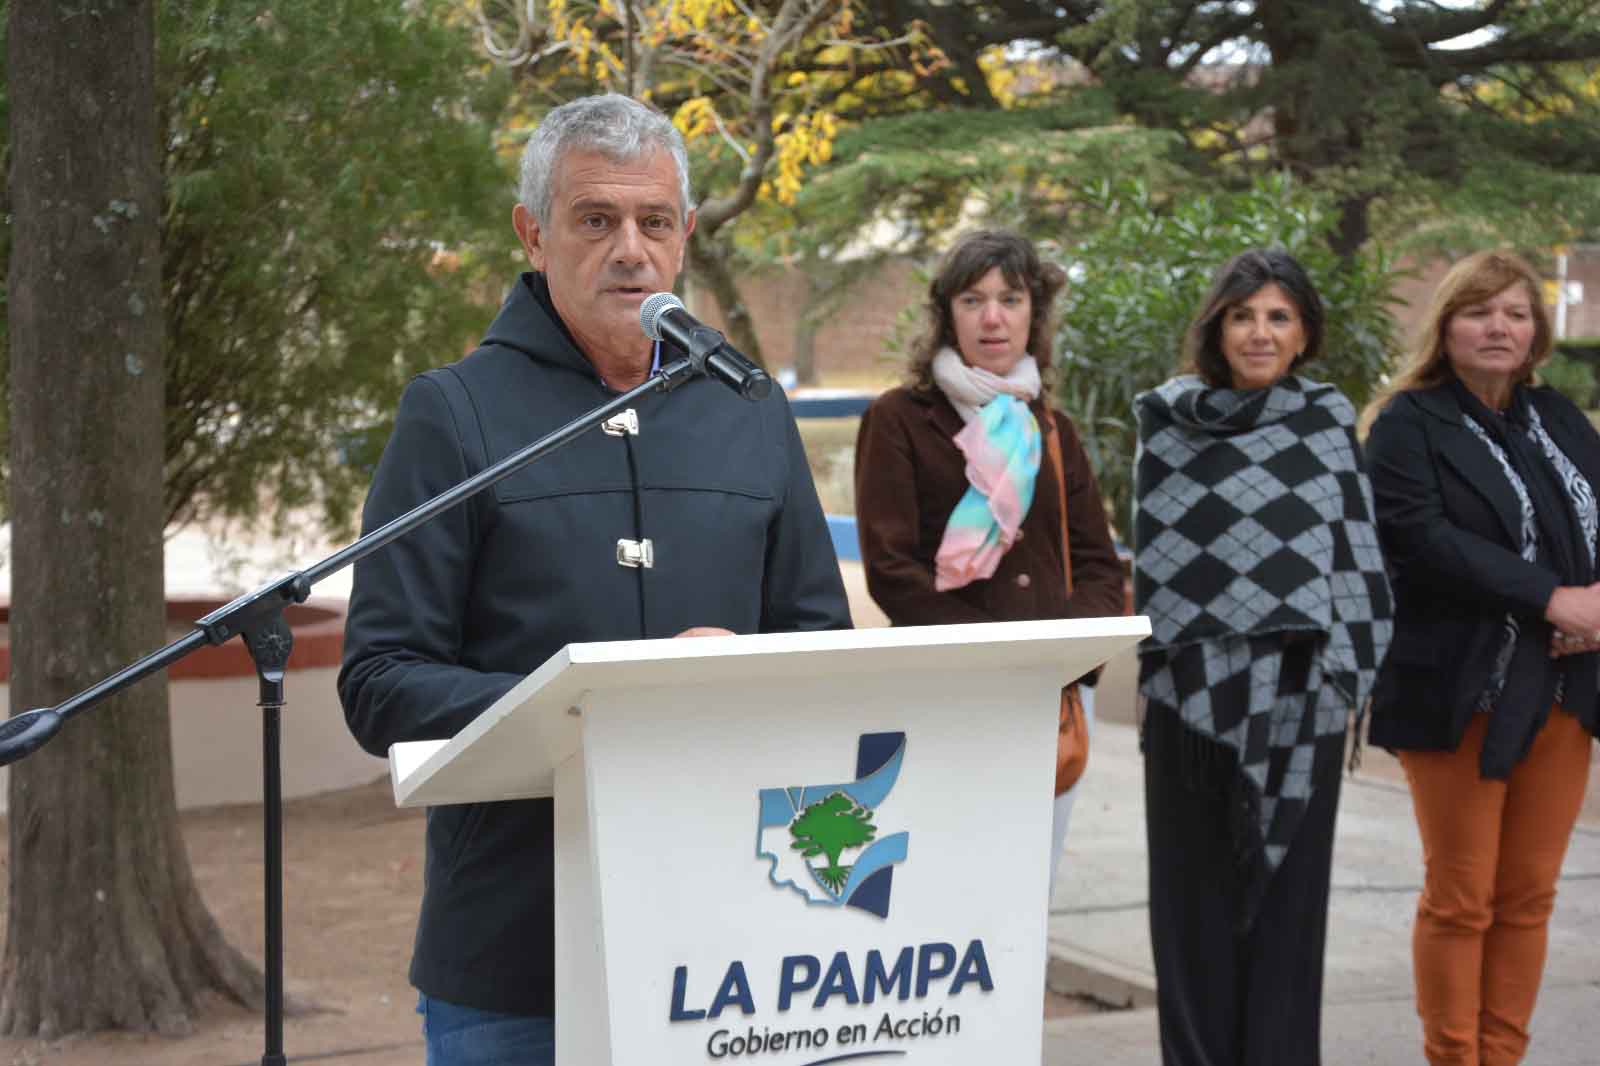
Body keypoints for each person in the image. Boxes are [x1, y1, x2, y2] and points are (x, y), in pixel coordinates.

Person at [337, 93, 851, 1066]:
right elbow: (380, 682)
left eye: (654, 222)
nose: (630, 249)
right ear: (533, 233)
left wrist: (737, 675)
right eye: (595, 219)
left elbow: (818, 649)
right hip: (515, 956)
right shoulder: (453, 414)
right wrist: (600, 705)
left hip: (733, 943)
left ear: (686, 234)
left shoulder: (749, 408)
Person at [1132, 248, 1393, 1065]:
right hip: (1190, 697)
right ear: (1217, 325)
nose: (1259, 332)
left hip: (1299, 696)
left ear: (1304, 332)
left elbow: (1353, 560)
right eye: (1243, 315)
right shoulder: (1169, 425)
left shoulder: (1324, 424)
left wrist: (1345, 667)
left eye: (1278, 316)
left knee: (1287, 912)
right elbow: (1160, 564)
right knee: (1193, 909)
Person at [1361, 250, 1600, 1066]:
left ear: (1536, 332)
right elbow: (1422, 540)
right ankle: (1453, 1057)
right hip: (1463, 688)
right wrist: (1549, 598)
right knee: (1463, 899)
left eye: (1516, 313)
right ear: (1446, 325)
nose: (1499, 327)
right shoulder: (1405, 422)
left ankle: (1503, 1057)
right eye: (1478, 311)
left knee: (1529, 899)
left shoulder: (1560, 418)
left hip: (1564, 690)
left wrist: (1591, 606)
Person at [852, 229, 1124, 905]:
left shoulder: (1051, 429)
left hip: (1047, 696)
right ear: (947, 314)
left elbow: (1098, 566)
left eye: (1011, 298)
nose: (994, 317)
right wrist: (992, 658)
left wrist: (1063, 659)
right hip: (949, 694)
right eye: (973, 299)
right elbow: (891, 569)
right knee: (942, 895)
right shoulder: (900, 419)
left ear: (1036, 312)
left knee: (1029, 895)